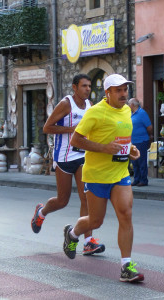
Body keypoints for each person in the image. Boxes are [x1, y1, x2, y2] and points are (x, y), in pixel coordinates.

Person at [62, 74, 144, 283]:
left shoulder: (126, 110)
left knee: (125, 214)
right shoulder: (95, 112)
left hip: (120, 173)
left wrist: (131, 149)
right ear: (107, 93)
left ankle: (126, 265)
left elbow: (121, 138)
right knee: (95, 221)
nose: (124, 94)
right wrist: (104, 148)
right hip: (97, 174)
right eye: (118, 90)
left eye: (125, 89)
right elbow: (76, 140)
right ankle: (72, 233)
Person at [31, 74, 105, 256]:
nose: (88, 89)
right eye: (84, 86)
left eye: (89, 86)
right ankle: (41, 212)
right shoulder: (66, 104)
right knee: (62, 200)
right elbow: (47, 128)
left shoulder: (89, 106)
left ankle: (88, 242)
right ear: (74, 87)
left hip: (81, 157)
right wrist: (72, 129)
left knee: (85, 198)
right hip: (64, 158)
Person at [128, 98, 153, 187]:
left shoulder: (142, 113)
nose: (128, 105)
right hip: (133, 141)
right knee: (134, 162)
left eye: (129, 103)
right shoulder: (131, 114)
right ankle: (136, 179)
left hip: (141, 141)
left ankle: (143, 180)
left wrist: (149, 136)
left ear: (133, 105)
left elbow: (149, 127)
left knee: (141, 161)